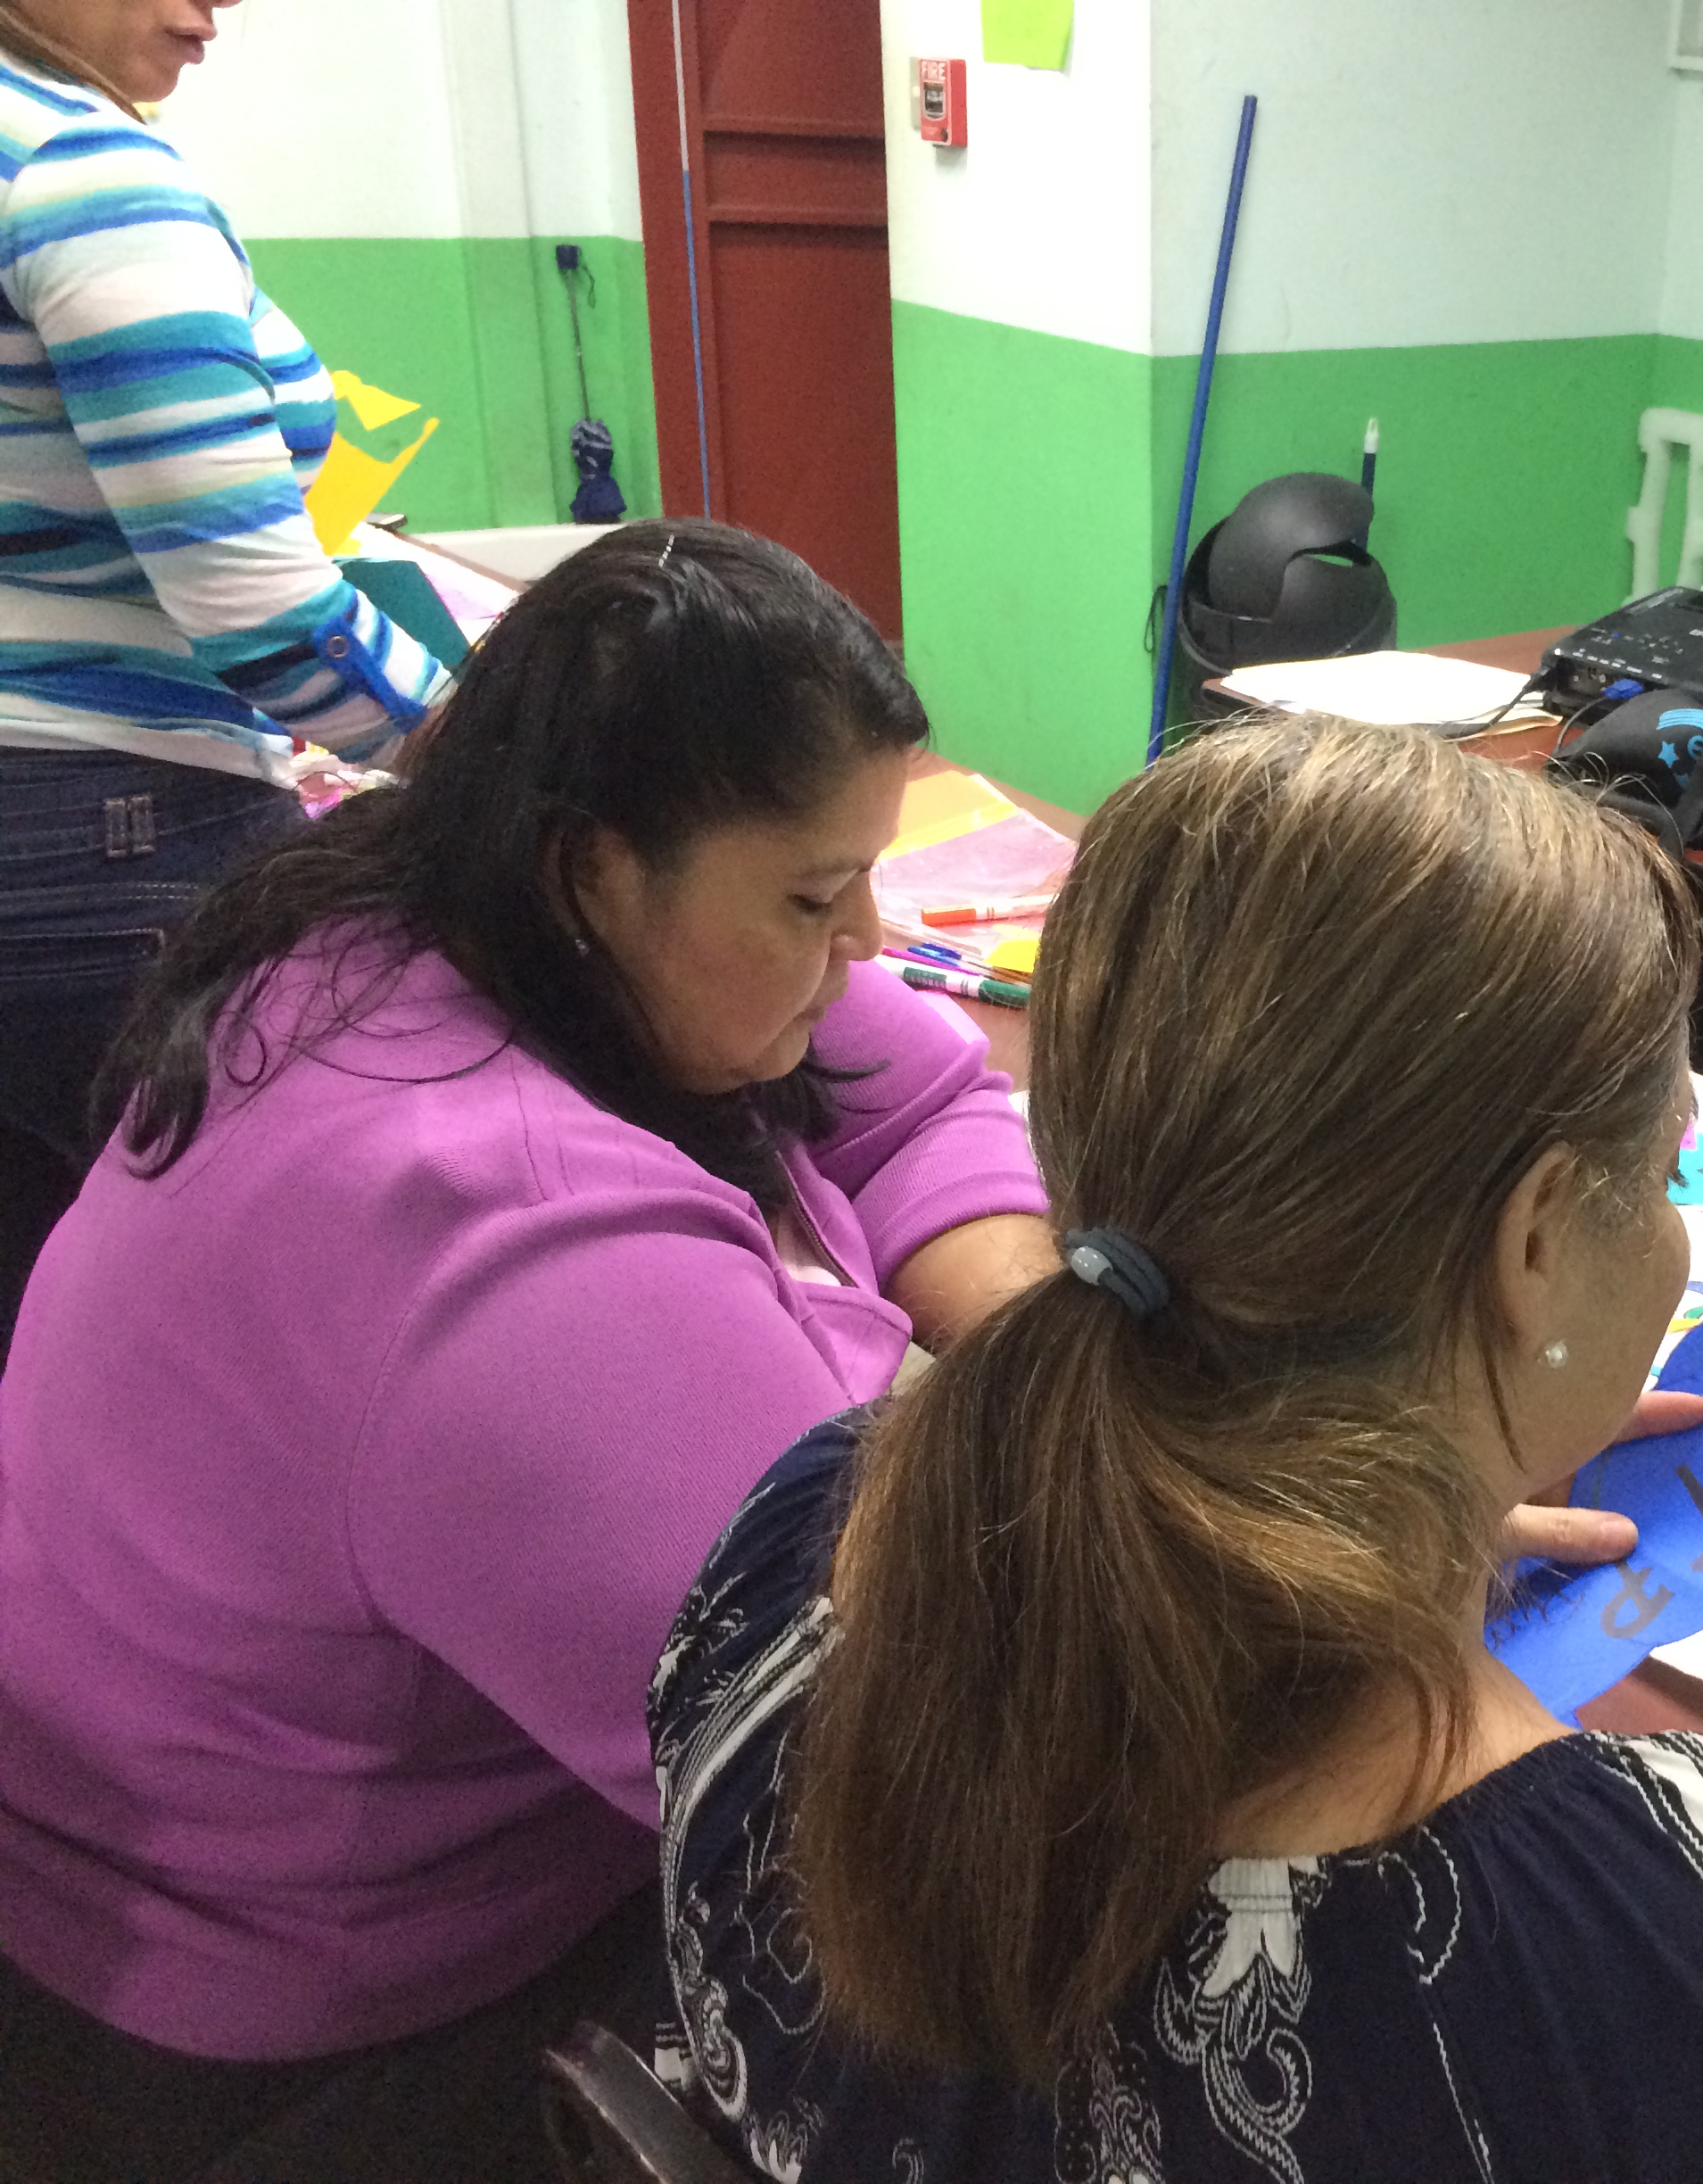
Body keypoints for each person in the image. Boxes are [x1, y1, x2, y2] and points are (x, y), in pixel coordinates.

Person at [651, 716, 1703, 2184]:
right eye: (1656, 1176)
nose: (1668, 1229)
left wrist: (1328, 1496)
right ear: (1527, 1241)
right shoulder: (1649, 1921)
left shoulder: (813, 1520)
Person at [0, 522, 1053, 2180]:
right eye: (810, 893)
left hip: (182, 1869)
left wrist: (1048, 1361)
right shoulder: (515, 1252)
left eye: (869, 871)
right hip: (291, 2035)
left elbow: (915, 1086)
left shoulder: (421, 922)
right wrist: (1237, 1530)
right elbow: (915, 1771)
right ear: (591, 865)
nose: (865, 938)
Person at [0, 0, 455, 1361]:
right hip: (114, 846)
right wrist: (515, 747)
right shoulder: (89, 176)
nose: (212, 9)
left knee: (49, 1335)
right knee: (276, 1337)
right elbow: (259, 612)